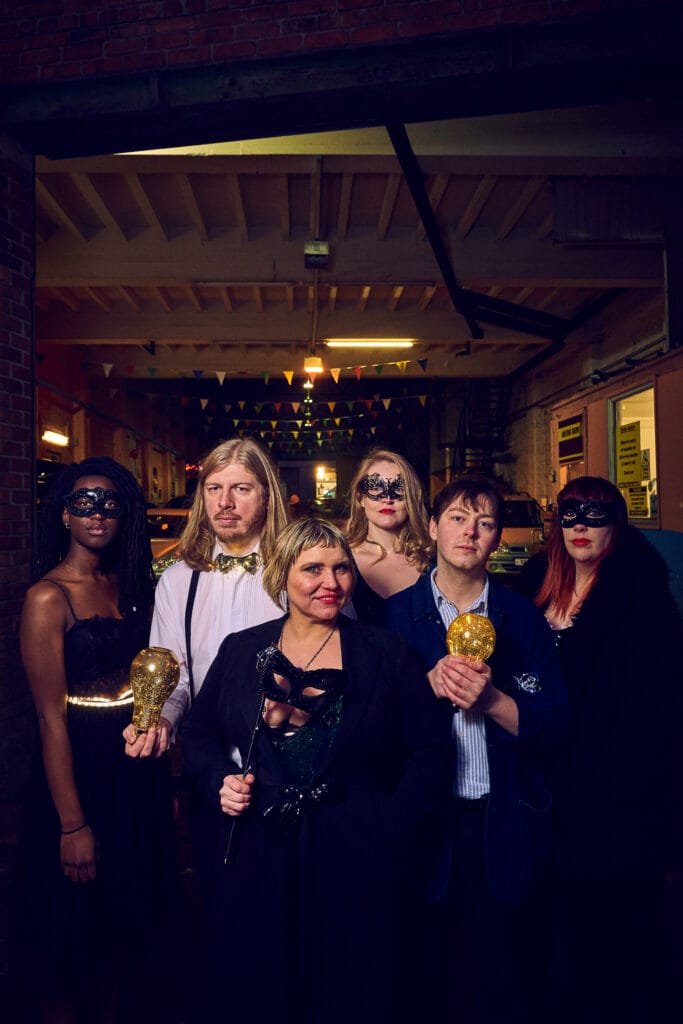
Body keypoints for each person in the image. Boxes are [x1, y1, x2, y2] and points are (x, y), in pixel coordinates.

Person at [181, 518, 452, 1024]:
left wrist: (388, 827)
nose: (331, 583)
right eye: (313, 569)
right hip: (262, 845)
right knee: (266, 984)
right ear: (282, 573)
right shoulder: (242, 649)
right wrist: (221, 778)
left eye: (341, 568)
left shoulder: (383, 651)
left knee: (353, 987)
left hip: (357, 847)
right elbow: (197, 735)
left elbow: (431, 750)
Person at [383, 475, 567, 1024]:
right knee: (425, 967)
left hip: (503, 814)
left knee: (504, 969)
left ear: (496, 539)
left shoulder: (521, 616)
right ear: (434, 528)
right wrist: (425, 687)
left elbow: (555, 724)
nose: (471, 532)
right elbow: (371, 731)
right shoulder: (394, 618)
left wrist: (490, 698)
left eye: (485, 523)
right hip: (425, 818)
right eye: (459, 519)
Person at [14, 457, 174, 1022]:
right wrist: (72, 824)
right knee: (84, 920)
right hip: (80, 757)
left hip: (136, 753)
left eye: (108, 502)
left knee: (139, 903)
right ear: (62, 514)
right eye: (83, 502)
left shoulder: (128, 582)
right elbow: (49, 719)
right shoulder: (46, 597)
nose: (97, 513)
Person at [518, 476, 683, 1024]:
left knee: (614, 926)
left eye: (595, 514)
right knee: (546, 923)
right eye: (570, 515)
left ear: (617, 523)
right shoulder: (533, 586)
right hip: (541, 778)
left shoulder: (642, 600)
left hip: (614, 790)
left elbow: (658, 713)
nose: (581, 526)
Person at [124, 437, 290, 758]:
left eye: (241, 489)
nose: (224, 502)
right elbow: (176, 679)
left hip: (285, 762)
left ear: (267, 497)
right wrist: (161, 721)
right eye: (214, 488)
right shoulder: (177, 581)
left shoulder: (300, 573)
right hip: (209, 765)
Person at [345, 447, 433, 623]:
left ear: (411, 498)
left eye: (398, 489)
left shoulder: (433, 562)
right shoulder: (340, 560)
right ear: (360, 498)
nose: (387, 499)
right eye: (376, 488)